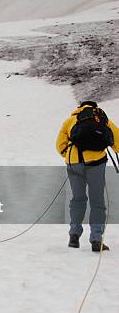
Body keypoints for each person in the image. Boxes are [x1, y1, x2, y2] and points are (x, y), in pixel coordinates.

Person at [56, 101, 119, 252]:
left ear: (80, 107)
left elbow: (60, 145)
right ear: (94, 107)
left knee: (78, 199)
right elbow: (117, 142)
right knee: (97, 201)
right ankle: (96, 238)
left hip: (74, 162)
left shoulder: (71, 120)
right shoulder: (102, 119)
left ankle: (74, 235)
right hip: (96, 163)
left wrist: (69, 156)